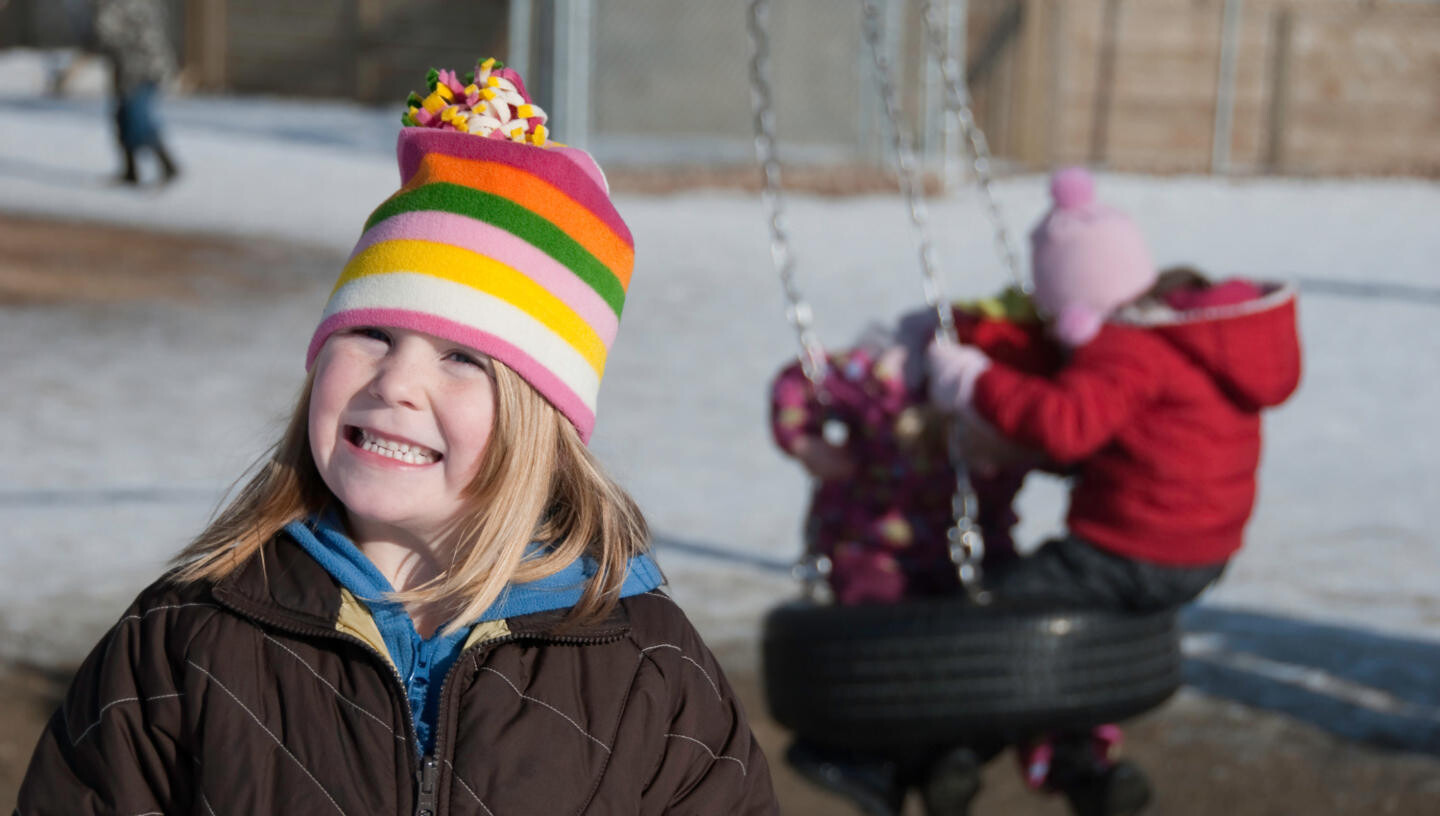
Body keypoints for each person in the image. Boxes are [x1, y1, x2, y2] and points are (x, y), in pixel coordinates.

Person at [17, 58, 778, 815]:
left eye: (460, 358)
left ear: (541, 420)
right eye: (373, 335)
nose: (395, 384)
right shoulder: (184, 640)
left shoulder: (648, 671)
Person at [926, 167, 1303, 814]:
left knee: (1002, 617)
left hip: (1133, 551)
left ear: (1074, 304)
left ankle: (951, 751)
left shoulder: (1122, 347)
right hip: (1203, 554)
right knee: (1078, 629)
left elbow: (1066, 426)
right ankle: (1079, 762)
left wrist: (974, 379)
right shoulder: (1184, 338)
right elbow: (1140, 446)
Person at [768, 294, 1061, 815]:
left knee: (975, 647)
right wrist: (804, 441)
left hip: (970, 552)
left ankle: (953, 758)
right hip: (872, 548)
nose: (999, 457)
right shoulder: (881, 381)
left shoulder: (1024, 405)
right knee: (884, 650)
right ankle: (875, 764)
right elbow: (797, 379)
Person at [92, 0, 179, 184]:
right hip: (133, 69)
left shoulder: (120, 6)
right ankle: (131, 172)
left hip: (141, 70)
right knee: (123, 118)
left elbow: (107, 33)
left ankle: (169, 166)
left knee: (137, 120)